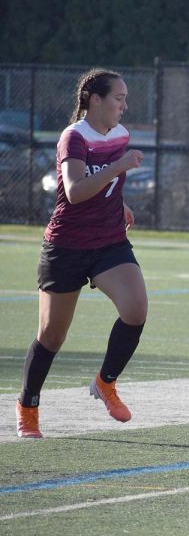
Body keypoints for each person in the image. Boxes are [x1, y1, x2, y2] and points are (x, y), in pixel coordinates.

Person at [15, 68, 148, 438]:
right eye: (118, 98)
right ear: (95, 100)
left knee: (136, 309)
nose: (124, 105)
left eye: (125, 98)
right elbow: (74, 191)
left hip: (108, 241)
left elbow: (106, 183)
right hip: (67, 247)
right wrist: (119, 167)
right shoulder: (73, 138)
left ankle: (106, 383)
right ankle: (27, 406)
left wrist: (119, 204)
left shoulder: (120, 135)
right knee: (52, 336)